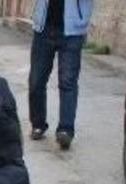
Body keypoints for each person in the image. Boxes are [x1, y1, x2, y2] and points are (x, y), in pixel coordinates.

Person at [28, 0, 94, 150]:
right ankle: (38, 124)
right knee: (36, 81)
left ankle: (65, 130)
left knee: (68, 82)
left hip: (72, 31)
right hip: (43, 28)